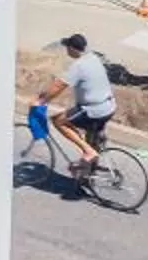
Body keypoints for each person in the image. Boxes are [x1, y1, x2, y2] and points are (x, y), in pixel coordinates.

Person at [37, 34, 119, 174]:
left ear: (72, 48)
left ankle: (88, 152)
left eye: (67, 48)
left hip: (94, 109)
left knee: (58, 121)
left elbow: (58, 86)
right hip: (109, 106)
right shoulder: (94, 58)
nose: (67, 51)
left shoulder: (79, 66)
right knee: (91, 139)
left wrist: (41, 101)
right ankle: (87, 175)